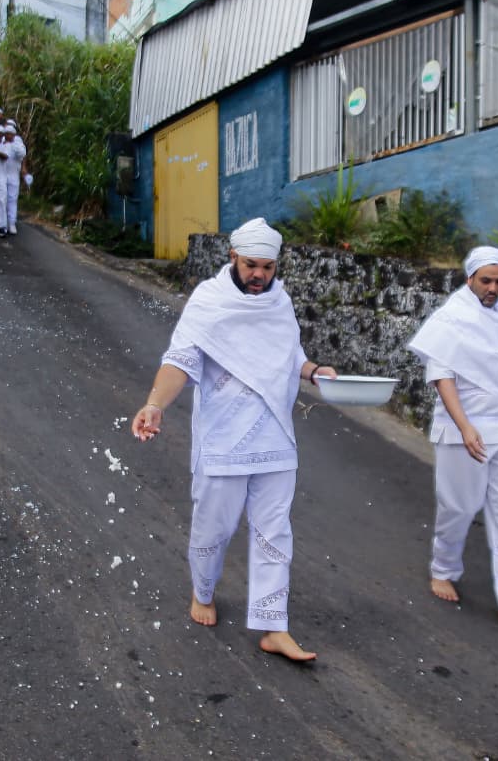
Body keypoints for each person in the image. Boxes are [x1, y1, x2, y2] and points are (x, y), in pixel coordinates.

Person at [130, 218, 338, 661]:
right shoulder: (209, 302)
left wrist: (315, 371)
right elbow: (180, 361)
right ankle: (202, 591)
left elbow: (290, 354)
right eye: (250, 265)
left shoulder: (279, 302)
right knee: (214, 529)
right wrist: (155, 405)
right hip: (223, 440)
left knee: (274, 534)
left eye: (267, 266)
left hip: (276, 437)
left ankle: (272, 625)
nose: (259, 275)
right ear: (232, 258)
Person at [407, 245, 498, 635]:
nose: (493, 288)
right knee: (459, 506)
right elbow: (442, 376)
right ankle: (443, 570)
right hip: (462, 428)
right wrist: (465, 426)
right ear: (469, 279)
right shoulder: (450, 320)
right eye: (486, 280)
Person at [3, 123, 27, 235]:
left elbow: (22, 154)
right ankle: (1, 222)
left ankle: (11, 223)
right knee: (1, 199)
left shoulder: (18, 143)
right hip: (1, 174)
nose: (8, 136)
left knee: (12, 199)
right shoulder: (1, 141)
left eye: (10, 134)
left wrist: (13, 143)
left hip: (13, 174)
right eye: (6, 133)